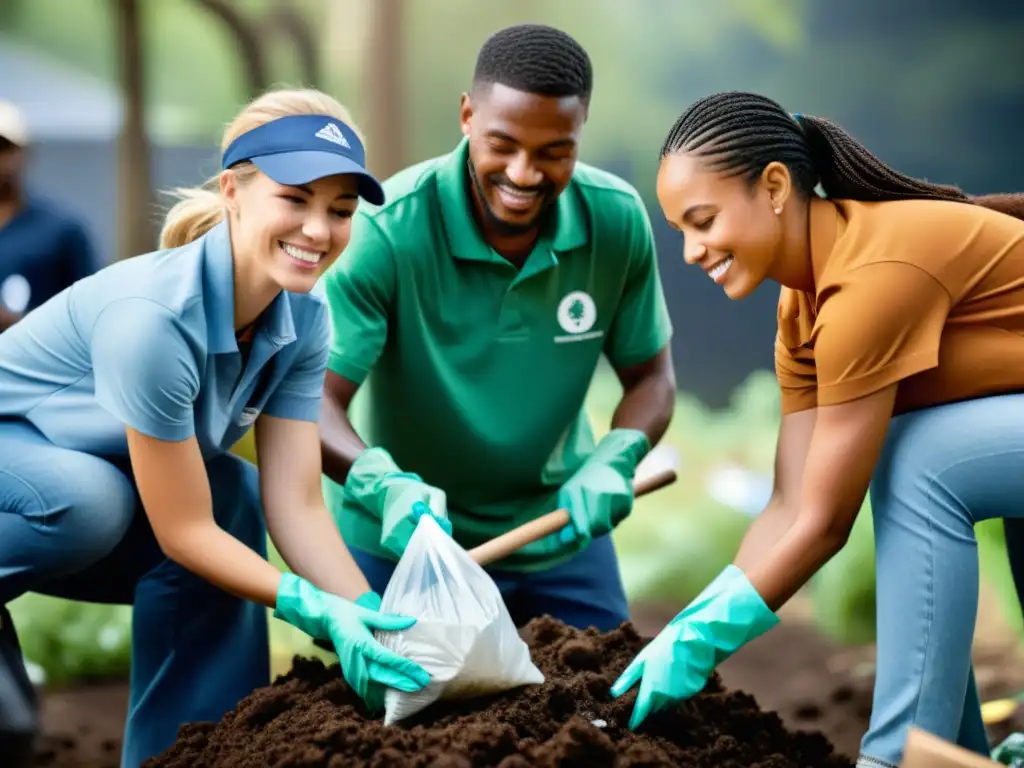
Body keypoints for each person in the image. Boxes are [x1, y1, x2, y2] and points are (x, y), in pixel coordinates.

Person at [0, 87, 430, 768]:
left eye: (341, 210)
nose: (319, 230)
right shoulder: (154, 320)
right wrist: (305, 605)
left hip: (66, 486)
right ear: (233, 190)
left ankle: (190, 753)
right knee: (93, 502)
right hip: (32, 478)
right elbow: (180, 532)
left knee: (233, 493)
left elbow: (297, 503)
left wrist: (375, 622)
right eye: (295, 199)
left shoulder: (304, 321)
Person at [609, 90, 1024, 768]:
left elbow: (826, 521)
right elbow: (789, 503)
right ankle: (956, 755)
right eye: (679, 230)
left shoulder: (872, 278)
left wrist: (706, 639)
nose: (688, 251)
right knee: (921, 454)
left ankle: (897, 759)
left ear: (774, 186)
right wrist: (691, 622)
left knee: (923, 461)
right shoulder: (804, 309)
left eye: (703, 220)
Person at [318, 24, 676, 633]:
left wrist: (618, 455)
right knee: (386, 722)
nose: (524, 173)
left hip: (559, 535)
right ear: (466, 115)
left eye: (554, 152)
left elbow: (652, 377)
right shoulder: (388, 230)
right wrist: (381, 485)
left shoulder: (615, 220)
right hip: (402, 541)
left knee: (605, 709)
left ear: (580, 132)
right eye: (502, 144)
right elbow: (313, 399)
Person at [0, 100, 99, 331]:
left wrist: (22, 322)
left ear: (24, 153)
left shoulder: (61, 229)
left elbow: (86, 311)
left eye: (3, 148)